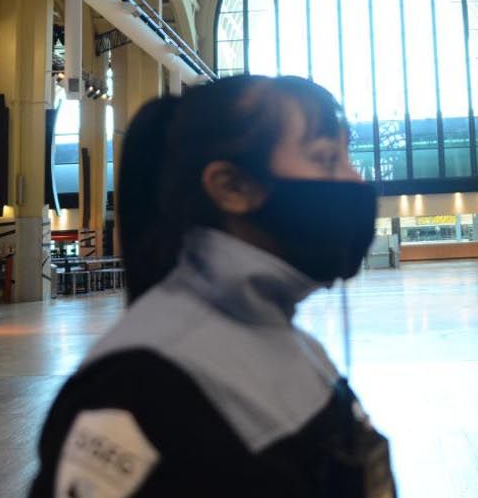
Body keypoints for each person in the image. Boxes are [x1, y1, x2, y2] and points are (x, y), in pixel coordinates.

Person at [30, 75, 396, 498]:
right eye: (326, 159)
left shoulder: (293, 342)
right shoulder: (135, 386)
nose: (354, 181)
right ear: (231, 187)